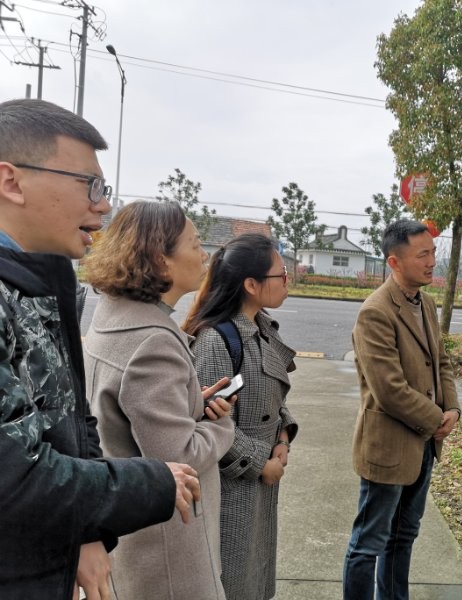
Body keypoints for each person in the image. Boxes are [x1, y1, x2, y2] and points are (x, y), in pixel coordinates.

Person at [0, 98, 202, 600]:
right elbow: (13, 476)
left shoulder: (42, 283)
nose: (103, 205)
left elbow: (72, 419)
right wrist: (152, 484)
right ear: (11, 182)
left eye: (104, 189)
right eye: (88, 184)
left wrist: (87, 530)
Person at [82, 200, 236, 600]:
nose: (205, 256)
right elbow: (179, 454)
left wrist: (190, 404)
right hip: (168, 550)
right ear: (160, 259)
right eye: (195, 244)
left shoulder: (112, 316)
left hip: (131, 533)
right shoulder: (153, 341)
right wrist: (221, 425)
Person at [342, 219, 461, 600]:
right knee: (369, 542)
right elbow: (388, 390)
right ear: (394, 262)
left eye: (433, 253)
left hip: (424, 444)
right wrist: (435, 419)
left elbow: (441, 361)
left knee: (404, 535)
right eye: (422, 254)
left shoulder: (426, 304)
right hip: (389, 446)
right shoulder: (375, 312)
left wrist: (452, 408)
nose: (432, 262)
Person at [184, 233, 299, 600]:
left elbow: (273, 397)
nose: (288, 281)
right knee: (234, 583)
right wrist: (262, 462)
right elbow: (211, 426)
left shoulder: (261, 329)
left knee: (255, 577)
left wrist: (283, 438)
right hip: (233, 490)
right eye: (281, 274)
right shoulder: (217, 342)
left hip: (261, 482)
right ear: (251, 285)